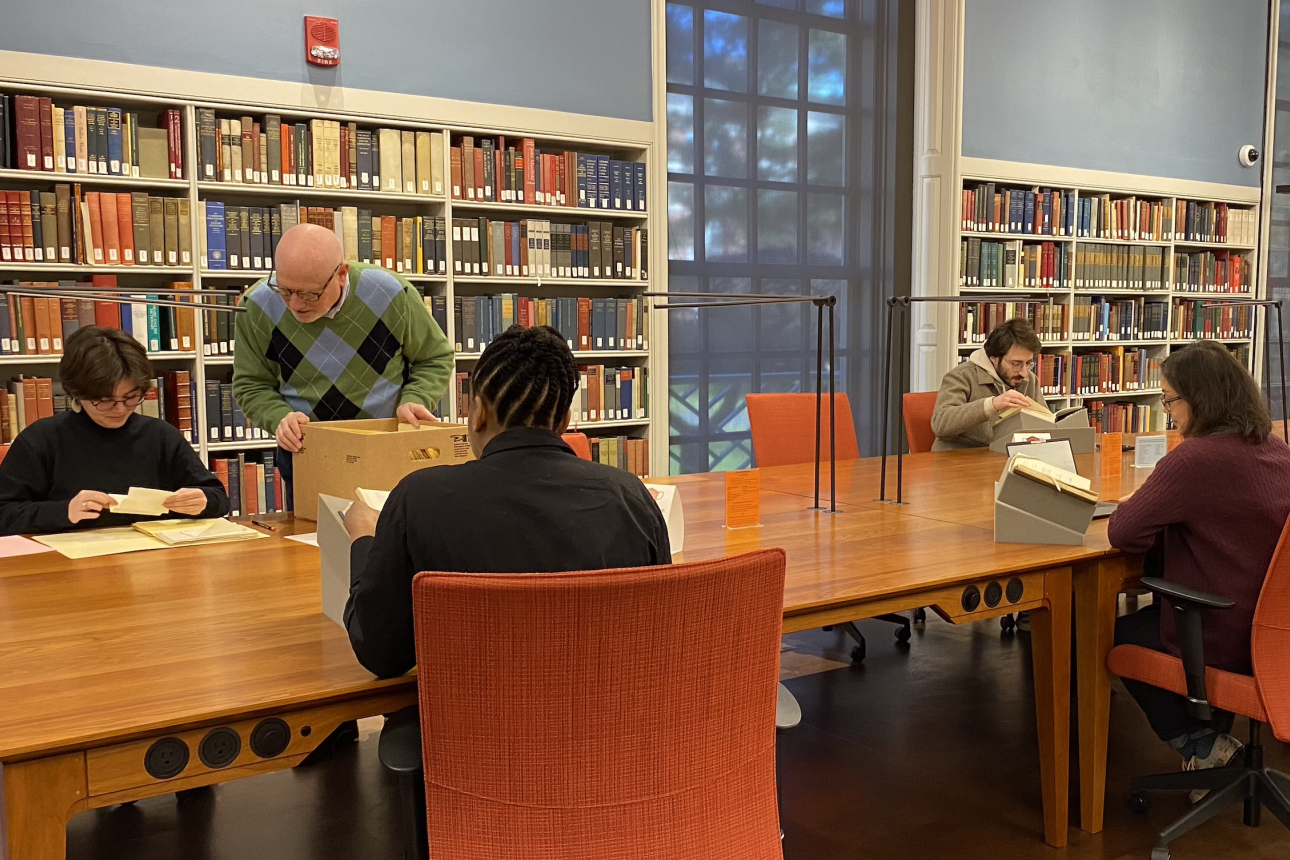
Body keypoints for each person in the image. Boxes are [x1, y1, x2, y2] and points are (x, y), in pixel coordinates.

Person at [343, 324, 671, 680]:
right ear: (564, 422)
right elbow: (656, 637)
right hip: (607, 727)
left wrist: (363, 539)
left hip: (466, 731)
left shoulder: (418, 499)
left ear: (478, 412)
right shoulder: (631, 497)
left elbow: (381, 654)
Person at [1109, 341, 1290, 782]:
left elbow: (1124, 533)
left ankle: (1199, 743)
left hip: (1221, 634)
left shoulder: (1194, 459)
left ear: (1199, 399)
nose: (1168, 410)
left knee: (1113, 635)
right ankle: (1208, 737)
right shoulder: (1277, 450)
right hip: (1275, 632)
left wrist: (1142, 502)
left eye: (1170, 399)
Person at [232, 223, 454, 507]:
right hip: (308, 453)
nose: (295, 304)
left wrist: (416, 399)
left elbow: (434, 357)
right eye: (285, 290)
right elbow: (251, 384)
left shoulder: (391, 293)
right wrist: (279, 418)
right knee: (309, 544)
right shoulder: (257, 304)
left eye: (310, 293)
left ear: (341, 274)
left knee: (394, 541)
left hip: (385, 448)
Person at [0, 326, 230, 535]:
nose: (119, 409)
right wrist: (64, 511)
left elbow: (218, 497)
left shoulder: (160, 435)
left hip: (151, 561)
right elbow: (4, 514)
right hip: (69, 565)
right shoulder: (41, 440)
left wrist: (204, 501)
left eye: (131, 398)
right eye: (104, 400)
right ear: (77, 393)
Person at [930, 318, 1044, 450]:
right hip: (959, 458)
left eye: (1028, 363)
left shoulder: (1029, 379)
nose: (1024, 372)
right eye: (1016, 364)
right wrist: (991, 405)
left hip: (1004, 456)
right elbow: (940, 424)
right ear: (994, 359)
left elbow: (1044, 423)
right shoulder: (962, 375)